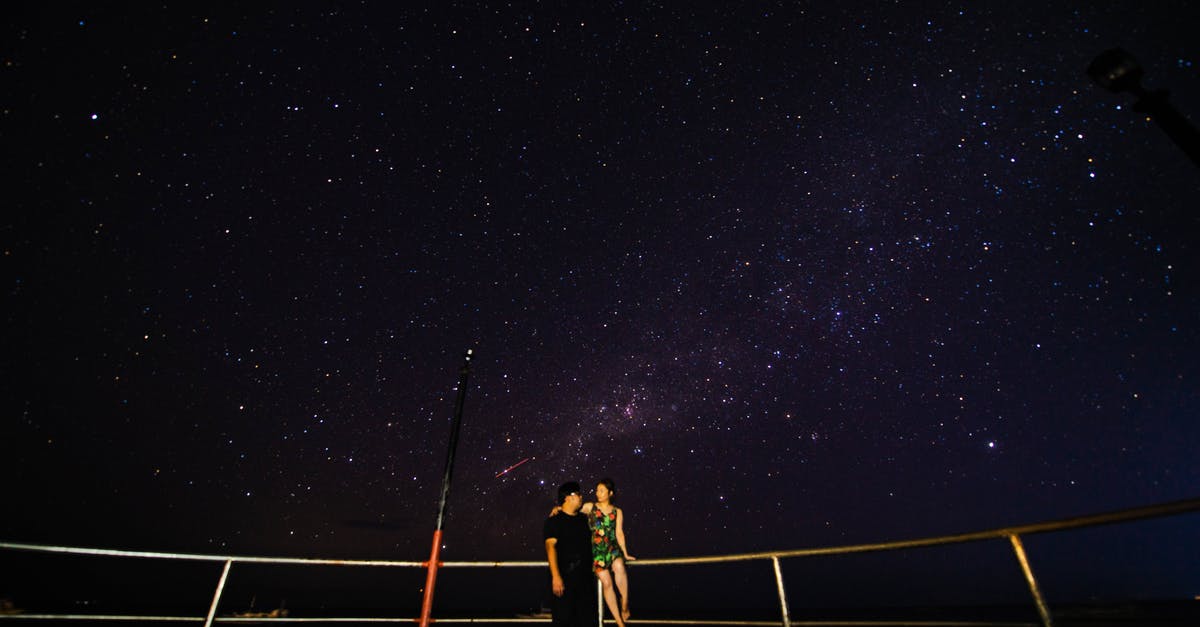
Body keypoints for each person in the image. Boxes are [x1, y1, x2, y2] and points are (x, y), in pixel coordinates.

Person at [551, 478, 635, 625]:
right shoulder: (591, 507)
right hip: (597, 550)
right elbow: (573, 509)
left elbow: (619, 533)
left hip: (612, 548)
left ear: (610, 493)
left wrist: (625, 552)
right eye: (597, 490)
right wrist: (559, 508)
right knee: (607, 582)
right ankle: (619, 621)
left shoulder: (617, 512)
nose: (598, 493)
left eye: (601, 490)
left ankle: (625, 603)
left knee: (620, 567)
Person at [543, 481, 597, 627]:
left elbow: (594, 506)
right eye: (578, 494)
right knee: (564, 620)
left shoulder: (584, 519)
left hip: (585, 583)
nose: (581, 497)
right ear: (568, 497)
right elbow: (550, 547)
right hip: (564, 582)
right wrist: (556, 576)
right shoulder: (553, 521)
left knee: (588, 620)